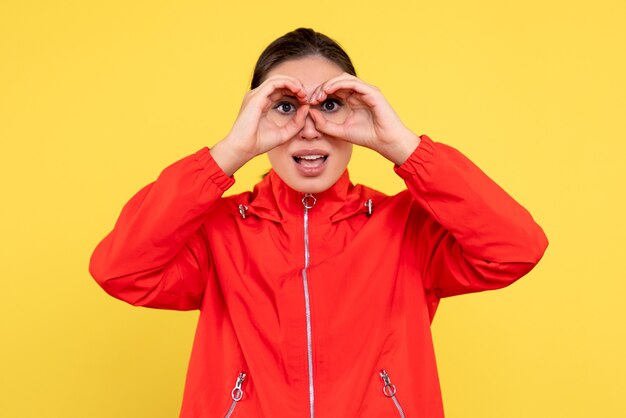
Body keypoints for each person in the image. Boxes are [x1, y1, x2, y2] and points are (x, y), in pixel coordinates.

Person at [89, 28, 548, 418]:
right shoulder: (217, 232)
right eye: (285, 106)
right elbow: (120, 269)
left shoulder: (407, 228)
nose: (309, 128)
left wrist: (403, 145)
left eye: (330, 105)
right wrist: (228, 152)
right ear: (256, 114)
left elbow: (516, 248)